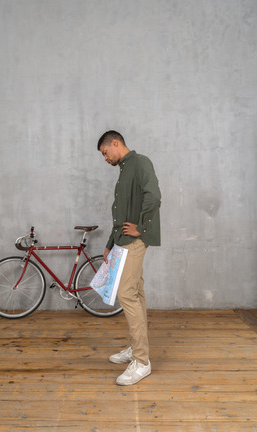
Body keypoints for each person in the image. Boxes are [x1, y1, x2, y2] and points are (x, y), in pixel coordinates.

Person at [97, 130, 161, 385]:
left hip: (135, 240)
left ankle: (142, 362)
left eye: (105, 153)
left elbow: (154, 197)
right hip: (123, 241)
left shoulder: (140, 162)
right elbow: (120, 212)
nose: (105, 158)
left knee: (127, 294)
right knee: (136, 292)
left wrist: (141, 228)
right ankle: (136, 348)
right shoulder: (124, 169)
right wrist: (110, 244)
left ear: (116, 143)